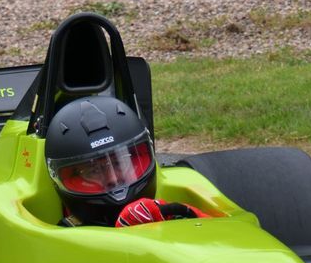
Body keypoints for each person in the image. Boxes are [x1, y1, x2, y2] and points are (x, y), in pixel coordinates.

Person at [43, 97, 217, 227]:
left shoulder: (170, 211)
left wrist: (178, 213)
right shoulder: (62, 239)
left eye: (120, 163)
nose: (113, 178)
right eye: (93, 171)